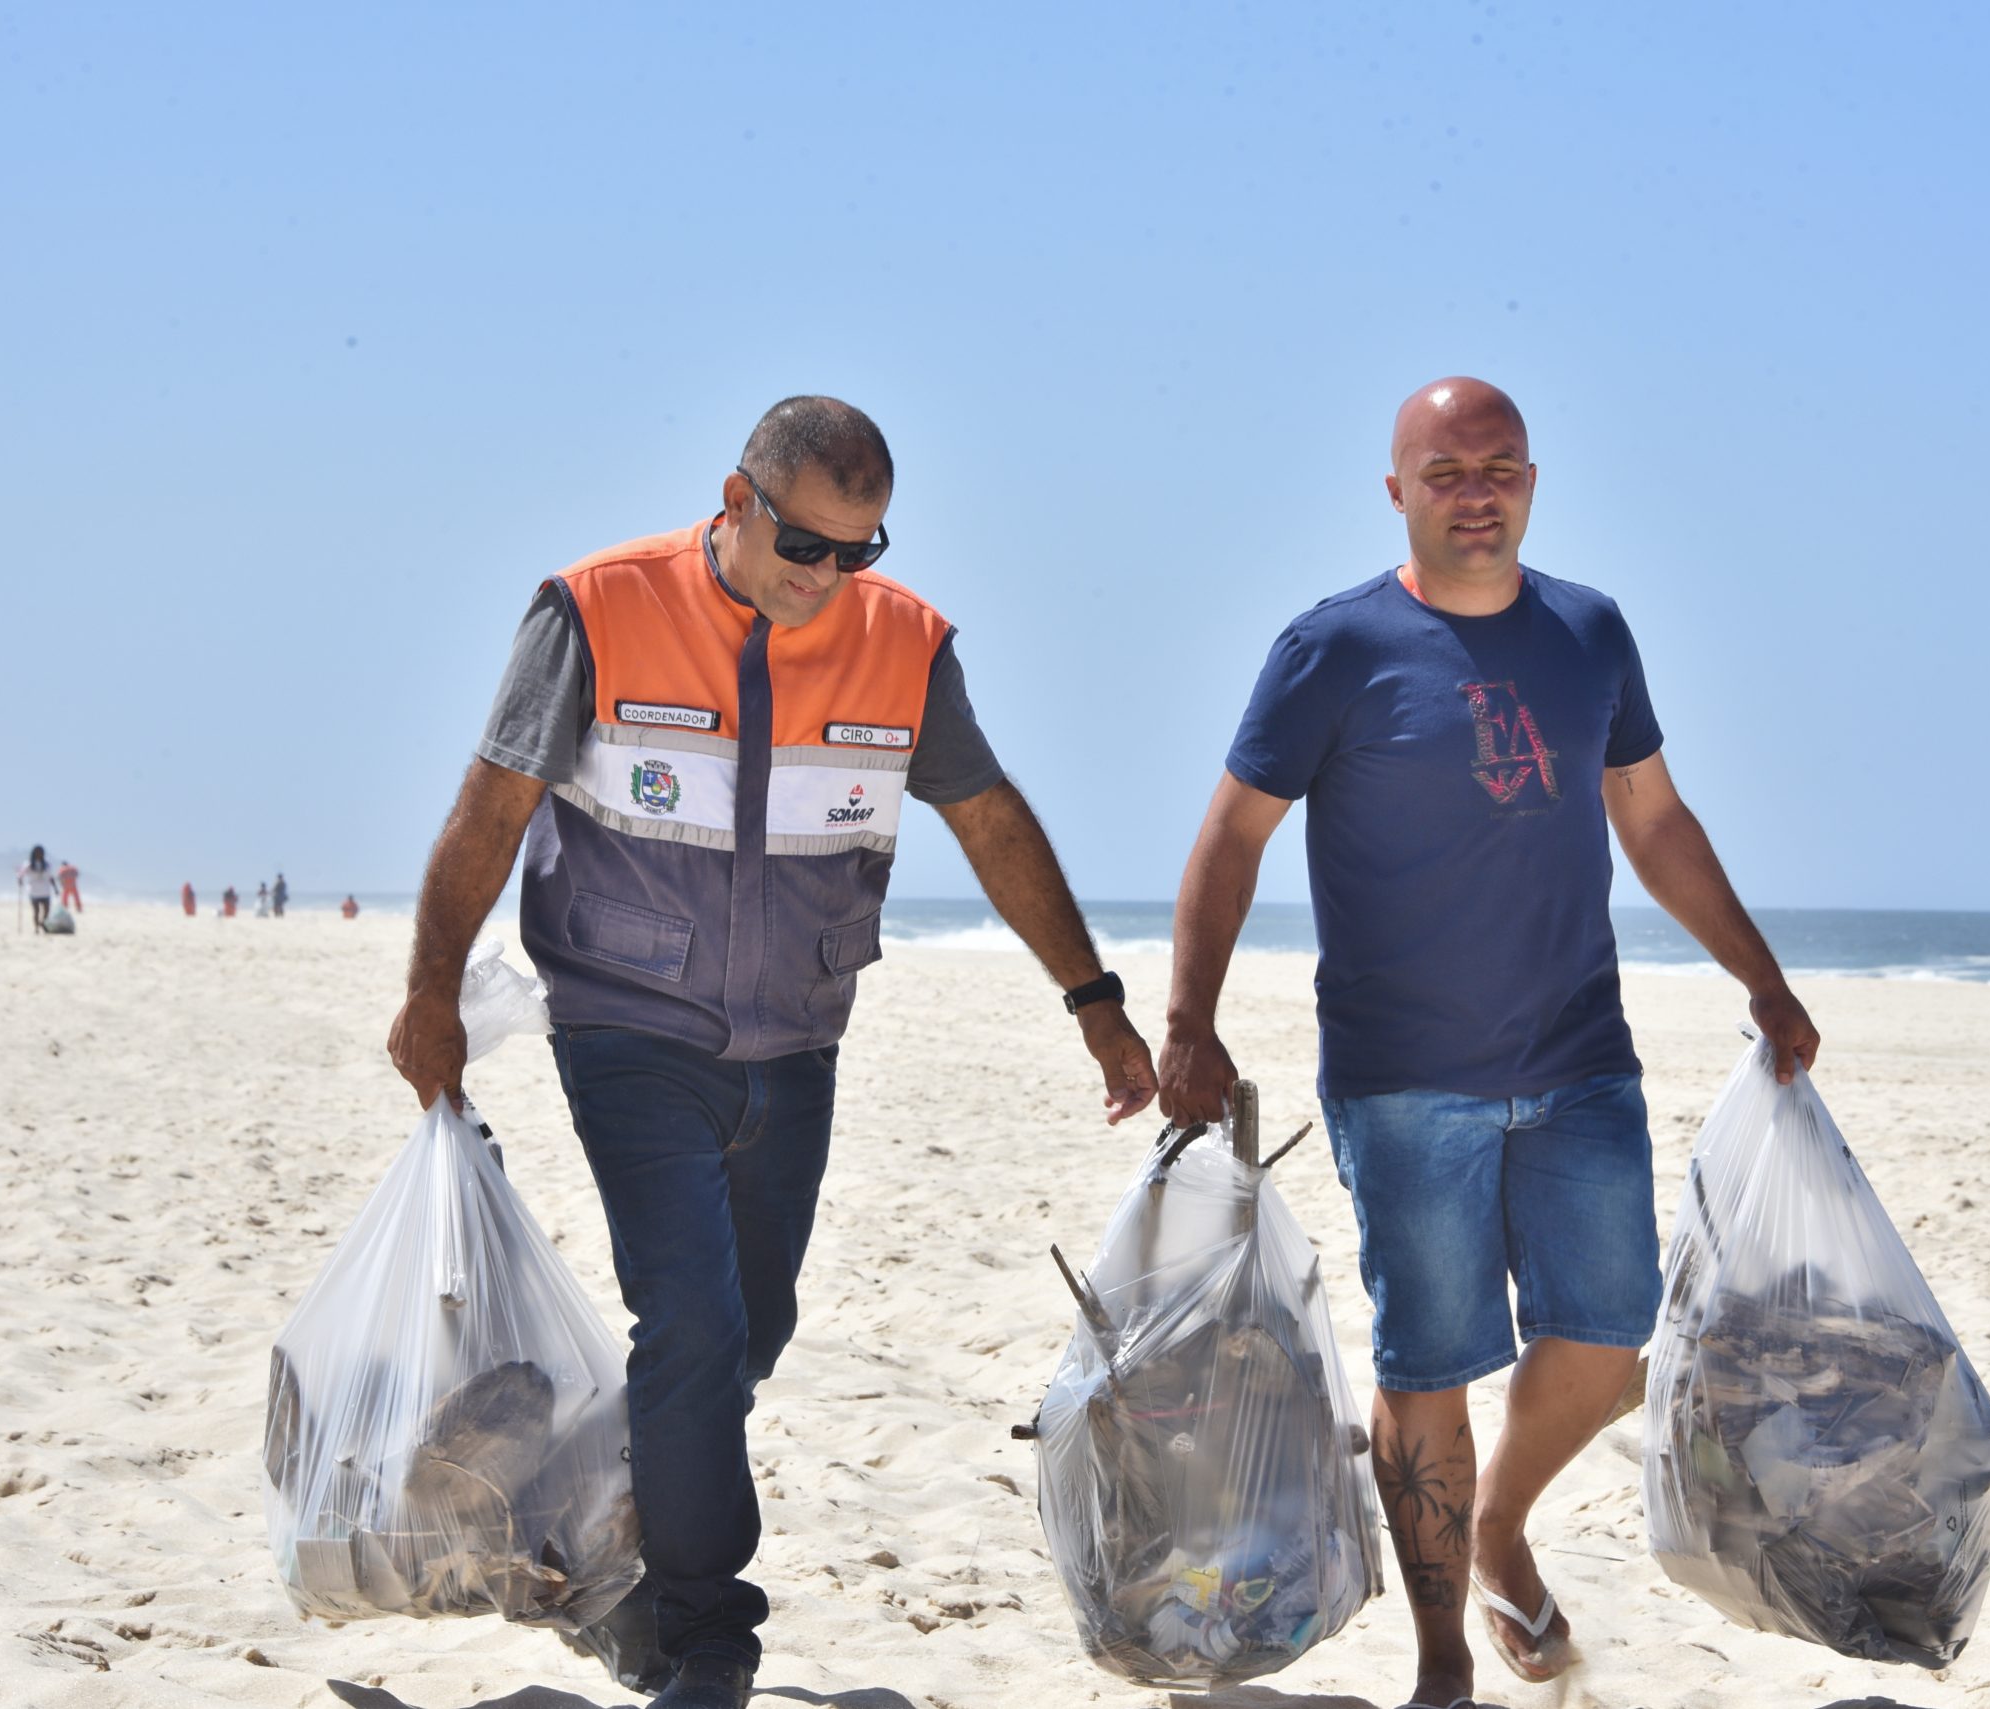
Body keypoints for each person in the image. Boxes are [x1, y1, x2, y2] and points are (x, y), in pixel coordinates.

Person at [386, 395, 1156, 1709]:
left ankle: (612, 1538)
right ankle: (708, 1638)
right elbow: (490, 805)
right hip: (628, 1026)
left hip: (798, 1042)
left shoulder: (904, 645)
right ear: (735, 502)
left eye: (859, 550)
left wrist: (1094, 998)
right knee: (688, 1319)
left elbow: (992, 821)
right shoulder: (595, 610)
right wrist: (432, 993)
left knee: (747, 1333)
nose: (829, 578)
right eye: (807, 545)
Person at [1158, 378, 1820, 1709]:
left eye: (1502, 466)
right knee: (1429, 1366)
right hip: (1408, 1082)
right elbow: (1234, 831)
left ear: (1532, 480)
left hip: (1581, 1060)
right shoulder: (1332, 648)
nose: (1479, 490)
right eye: (1448, 469)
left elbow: (1655, 817)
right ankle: (1447, 1661)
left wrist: (1761, 974)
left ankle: (1501, 1524)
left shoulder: (1591, 633)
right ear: (1397, 490)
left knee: (1609, 1337)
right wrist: (1189, 1020)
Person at [20, 847, 56, 932]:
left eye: (41, 852)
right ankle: (36, 928)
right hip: (34, 891)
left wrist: (55, 888)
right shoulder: (28, 864)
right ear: (34, 853)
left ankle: (43, 923)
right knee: (36, 911)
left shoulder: (47, 864)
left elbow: (51, 877)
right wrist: (20, 880)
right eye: (38, 852)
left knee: (47, 911)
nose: (40, 854)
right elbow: (21, 873)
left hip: (45, 891)